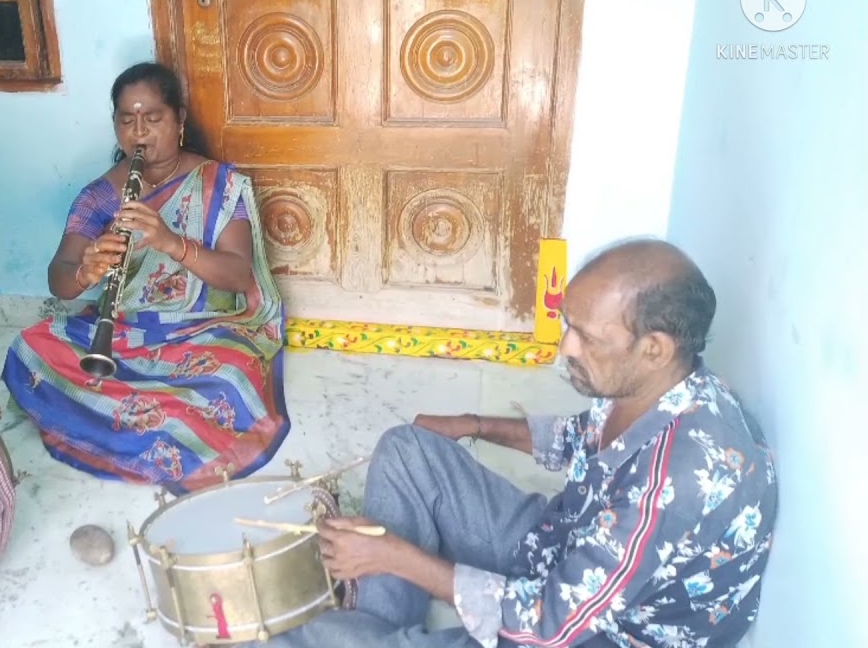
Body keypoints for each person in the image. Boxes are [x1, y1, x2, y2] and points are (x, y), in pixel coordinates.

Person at [251, 238, 778, 647]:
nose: (565, 347)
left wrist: (395, 558)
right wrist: (472, 424)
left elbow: (550, 624)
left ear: (654, 348)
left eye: (586, 337)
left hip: (593, 635)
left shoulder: (680, 478)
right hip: (561, 546)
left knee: (316, 640)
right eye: (569, 324)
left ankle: (370, 617)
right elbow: (581, 437)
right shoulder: (659, 384)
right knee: (408, 451)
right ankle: (375, 620)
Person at [0, 61, 289, 495]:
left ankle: (110, 413)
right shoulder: (99, 195)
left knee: (233, 374)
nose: (140, 132)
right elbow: (58, 278)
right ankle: (142, 415)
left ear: (179, 121)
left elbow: (237, 275)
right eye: (127, 120)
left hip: (201, 329)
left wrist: (172, 243)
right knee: (29, 346)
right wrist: (86, 270)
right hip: (123, 329)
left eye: (153, 119)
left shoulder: (220, 184)